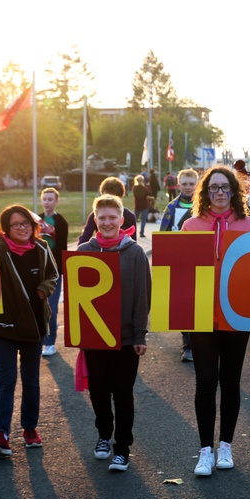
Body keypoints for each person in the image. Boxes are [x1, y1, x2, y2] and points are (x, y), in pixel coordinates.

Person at [181, 166, 250, 476]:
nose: (218, 193)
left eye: (224, 188)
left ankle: (225, 445)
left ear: (233, 192)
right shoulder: (190, 225)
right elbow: (182, 272)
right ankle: (204, 450)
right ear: (204, 192)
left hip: (235, 314)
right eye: (212, 188)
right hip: (202, 315)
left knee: (230, 382)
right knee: (205, 382)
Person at [76, 194, 152, 472]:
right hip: (95, 337)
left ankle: (122, 447)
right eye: (102, 217)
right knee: (98, 391)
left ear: (122, 220)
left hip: (126, 337)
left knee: (122, 393)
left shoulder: (134, 253)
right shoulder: (84, 251)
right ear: (95, 220)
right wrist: (78, 334)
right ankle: (103, 436)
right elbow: (76, 298)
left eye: (112, 217)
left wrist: (140, 335)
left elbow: (142, 297)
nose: (107, 222)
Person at [0, 205, 58, 458]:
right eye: (15, 224)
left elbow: (53, 275)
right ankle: (1, 435)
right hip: (4, 327)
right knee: (6, 382)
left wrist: (44, 288)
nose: (22, 228)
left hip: (34, 327)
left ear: (33, 224)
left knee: (31, 381)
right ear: (6, 228)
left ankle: (29, 429)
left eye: (25, 222)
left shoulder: (42, 248)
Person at [159, 167, 199, 362]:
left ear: (197, 185)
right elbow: (163, 235)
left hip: (200, 262)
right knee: (183, 304)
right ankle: (187, 344)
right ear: (178, 185)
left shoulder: (204, 207)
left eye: (192, 184)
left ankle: (200, 341)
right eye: (185, 184)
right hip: (179, 263)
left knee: (199, 303)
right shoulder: (171, 208)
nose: (188, 187)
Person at [39, 187, 68, 357]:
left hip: (54, 271)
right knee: (37, 307)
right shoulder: (36, 220)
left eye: (50, 199)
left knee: (51, 307)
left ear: (56, 201)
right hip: (37, 271)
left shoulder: (61, 222)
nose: (47, 202)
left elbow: (62, 248)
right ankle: (38, 340)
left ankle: (50, 342)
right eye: (45, 199)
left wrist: (59, 269)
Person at [77, 177, 138, 244]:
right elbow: (85, 237)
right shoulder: (95, 215)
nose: (107, 223)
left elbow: (132, 242)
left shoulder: (129, 217)